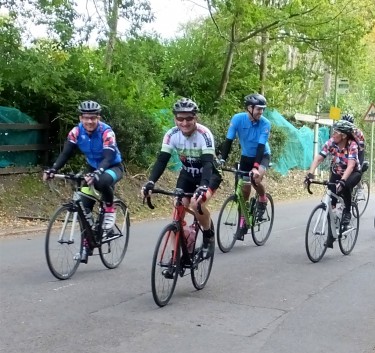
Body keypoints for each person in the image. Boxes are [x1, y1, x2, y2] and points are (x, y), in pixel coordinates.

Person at [43, 100, 124, 261]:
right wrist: (53, 169)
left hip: (112, 167)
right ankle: (87, 244)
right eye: (86, 118)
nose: (89, 121)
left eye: (93, 118)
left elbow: (108, 156)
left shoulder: (106, 132)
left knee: (101, 182)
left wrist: (98, 172)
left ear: (98, 118)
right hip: (92, 168)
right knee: (84, 208)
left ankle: (109, 209)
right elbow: (66, 153)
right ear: (80, 118)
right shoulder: (75, 132)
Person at [141, 98, 221, 258]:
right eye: (180, 118)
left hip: (208, 175)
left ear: (195, 118)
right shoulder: (171, 134)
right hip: (187, 175)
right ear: (175, 119)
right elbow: (162, 160)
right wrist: (151, 181)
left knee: (195, 203)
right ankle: (175, 255)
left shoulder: (204, 134)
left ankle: (208, 235)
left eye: (189, 118)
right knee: (177, 210)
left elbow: (207, 163)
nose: (184, 122)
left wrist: (204, 186)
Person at [218, 93, 271, 240]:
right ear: (249, 108)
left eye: (263, 109)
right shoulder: (237, 119)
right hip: (246, 156)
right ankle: (244, 222)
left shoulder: (265, 123)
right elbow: (228, 140)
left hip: (262, 156)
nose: (261, 112)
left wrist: (255, 167)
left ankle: (262, 198)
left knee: (256, 179)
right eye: (259, 109)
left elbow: (261, 147)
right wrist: (222, 159)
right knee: (244, 190)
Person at [305, 120, 362, 245]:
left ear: (344, 135)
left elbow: (351, 166)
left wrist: (342, 181)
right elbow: (319, 158)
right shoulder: (331, 142)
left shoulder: (352, 145)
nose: (333, 135)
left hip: (353, 173)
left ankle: (347, 212)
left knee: (345, 186)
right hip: (337, 172)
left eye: (336, 132)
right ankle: (332, 234)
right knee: (331, 203)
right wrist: (310, 174)